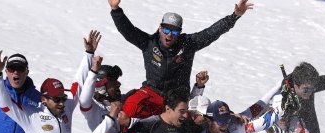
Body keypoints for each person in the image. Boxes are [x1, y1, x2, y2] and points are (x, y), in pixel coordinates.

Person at [107, 0, 253, 120]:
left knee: (194, 121)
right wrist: (115, 10)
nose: (169, 35)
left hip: (178, 99)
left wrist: (234, 16)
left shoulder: (188, 44)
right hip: (153, 93)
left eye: (175, 31)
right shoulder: (149, 43)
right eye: (166, 30)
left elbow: (212, 32)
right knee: (127, 109)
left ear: (180, 32)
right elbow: (128, 31)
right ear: (160, 28)